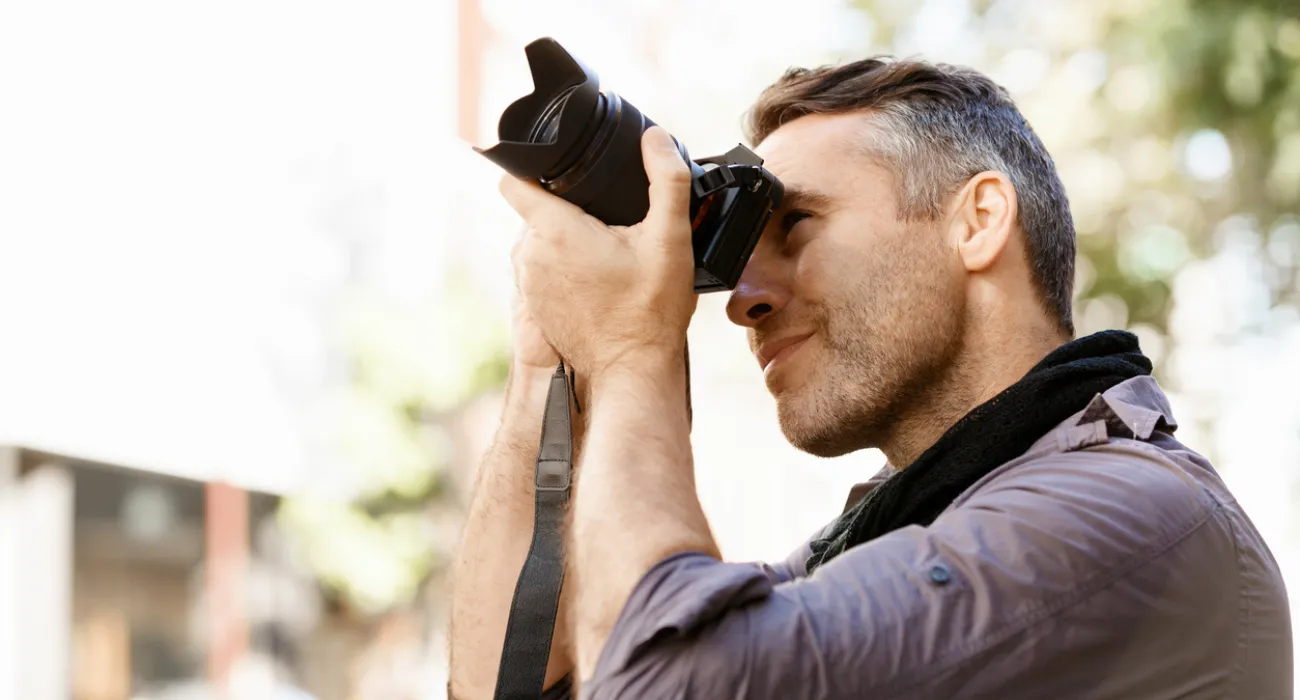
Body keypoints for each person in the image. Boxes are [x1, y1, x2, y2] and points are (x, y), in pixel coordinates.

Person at [447, 57, 1293, 699]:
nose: (743, 300)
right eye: (738, 251)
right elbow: (511, 684)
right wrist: (548, 359)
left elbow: (679, 680)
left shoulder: (1129, 513)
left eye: (797, 223)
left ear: (979, 221)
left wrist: (633, 348)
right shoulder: (892, 530)